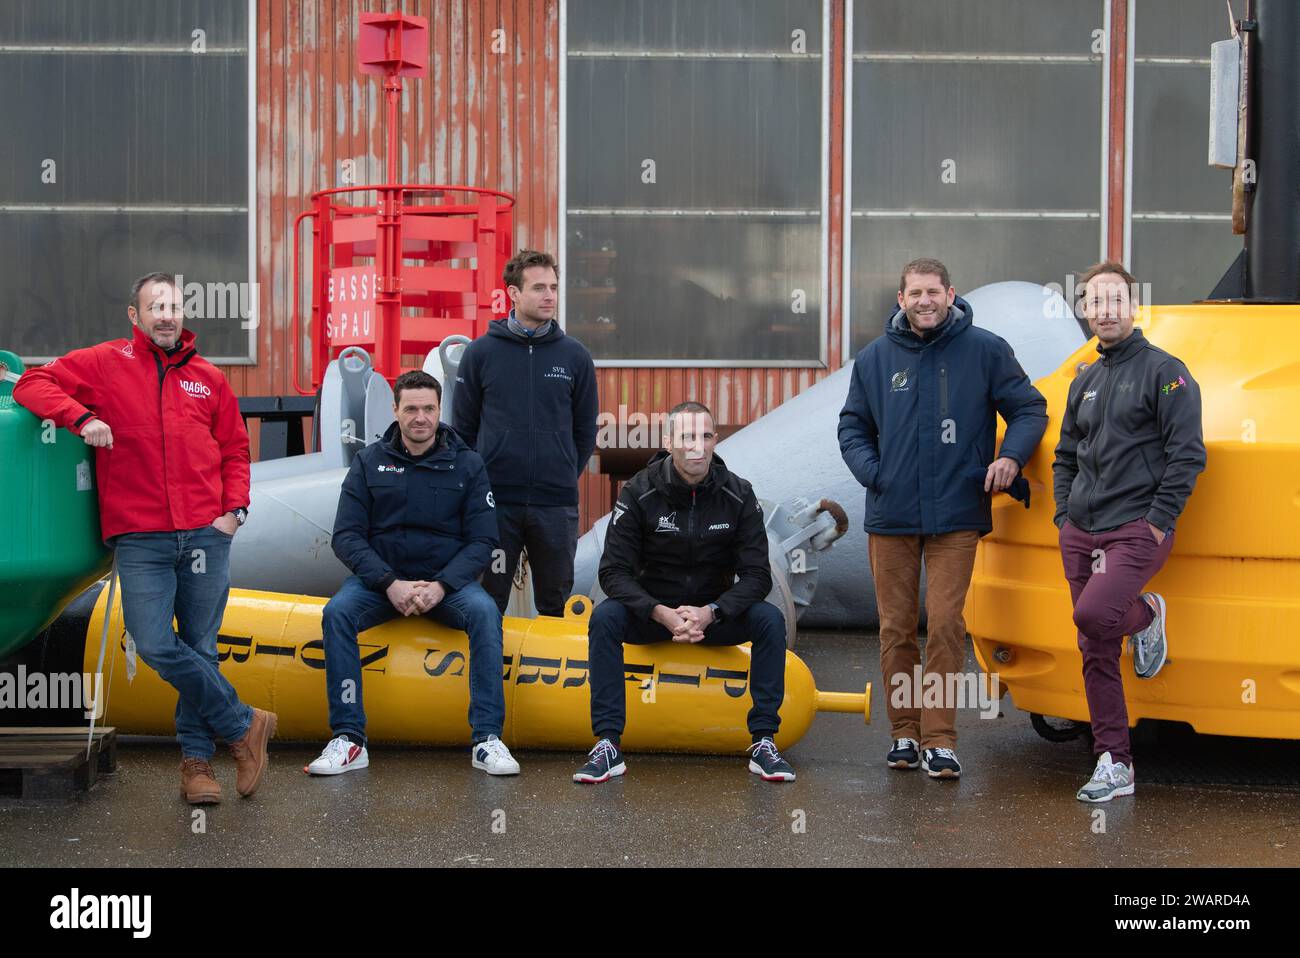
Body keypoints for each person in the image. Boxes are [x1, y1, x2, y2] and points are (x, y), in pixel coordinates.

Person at [14, 271, 274, 805]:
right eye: (155, 307)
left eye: (174, 306)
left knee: (202, 647)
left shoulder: (209, 378)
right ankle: (243, 723)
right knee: (155, 643)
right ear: (135, 316)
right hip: (141, 537)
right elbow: (30, 383)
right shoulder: (106, 364)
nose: (166, 315)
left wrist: (234, 512)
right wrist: (80, 417)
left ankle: (197, 765)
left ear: (184, 313)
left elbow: (234, 449)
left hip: (206, 533)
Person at [838, 257, 1048, 779]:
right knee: (896, 628)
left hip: (957, 511)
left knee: (948, 625)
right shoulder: (875, 359)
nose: (924, 301)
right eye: (915, 293)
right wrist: (874, 472)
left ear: (950, 295)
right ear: (901, 298)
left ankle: (940, 739)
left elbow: (1030, 408)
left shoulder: (985, 350)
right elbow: (852, 426)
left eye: (933, 291)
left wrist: (1010, 458)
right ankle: (904, 734)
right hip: (892, 513)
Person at [311, 370, 520, 776]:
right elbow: (346, 536)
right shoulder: (369, 462)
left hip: (448, 585)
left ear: (440, 410)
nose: (420, 417)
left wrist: (442, 586)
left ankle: (487, 738)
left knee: (485, 613)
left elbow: (483, 540)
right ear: (395, 410)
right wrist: (389, 583)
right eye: (411, 409)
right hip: (382, 583)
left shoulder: (468, 465)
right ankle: (349, 738)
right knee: (337, 614)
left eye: (428, 408)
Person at [575, 401, 794, 784]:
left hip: (713, 617)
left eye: (705, 436)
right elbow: (613, 572)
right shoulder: (639, 492)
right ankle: (608, 744)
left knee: (769, 619)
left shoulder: (739, 494)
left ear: (715, 440)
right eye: (687, 436)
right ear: (669, 441)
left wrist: (713, 611)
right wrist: (659, 612)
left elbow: (758, 576)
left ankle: (763, 741)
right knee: (605, 617)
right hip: (655, 617)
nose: (697, 446)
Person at [1053, 262, 1206, 803]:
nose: (1107, 310)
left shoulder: (1166, 371)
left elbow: (1188, 455)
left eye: (1116, 300)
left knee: (1094, 616)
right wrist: (1062, 518)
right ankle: (1114, 762)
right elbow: (1065, 455)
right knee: (1094, 648)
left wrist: (1159, 521)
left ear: (1133, 306)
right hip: (1081, 530)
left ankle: (1147, 615)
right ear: (1086, 310)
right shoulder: (1085, 380)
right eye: (1096, 302)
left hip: (1136, 529)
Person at [452, 249, 598, 616]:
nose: (549, 296)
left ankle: (552, 674)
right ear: (514, 294)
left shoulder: (575, 357)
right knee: (487, 603)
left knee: (555, 604)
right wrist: (480, 482)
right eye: (538, 288)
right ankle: (488, 675)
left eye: (553, 287)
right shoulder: (481, 353)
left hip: (556, 504)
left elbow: (584, 430)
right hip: (495, 503)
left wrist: (562, 471)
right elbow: (464, 430)